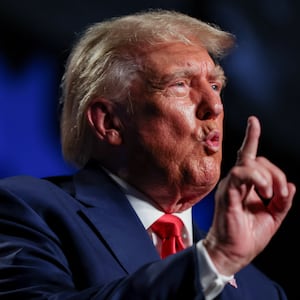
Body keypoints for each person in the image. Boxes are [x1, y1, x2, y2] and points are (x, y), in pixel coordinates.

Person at [0, 9, 295, 300]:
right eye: (180, 84)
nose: (214, 106)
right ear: (110, 122)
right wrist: (212, 263)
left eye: (215, 86)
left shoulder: (261, 290)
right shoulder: (28, 209)